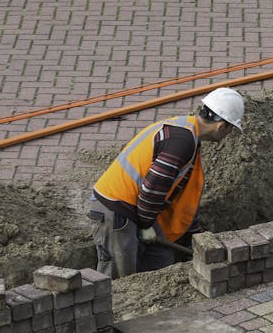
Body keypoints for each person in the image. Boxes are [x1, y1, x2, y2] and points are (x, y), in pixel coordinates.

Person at [87, 87, 244, 277]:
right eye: (231, 130)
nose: (229, 135)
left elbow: (181, 192)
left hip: (135, 209)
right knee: (120, 276)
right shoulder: (181, 142)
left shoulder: (187, 133)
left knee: (160, 257)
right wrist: (145, 226)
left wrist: (193, 237)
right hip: (115, 211)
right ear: (222, 126)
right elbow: (152, 189)